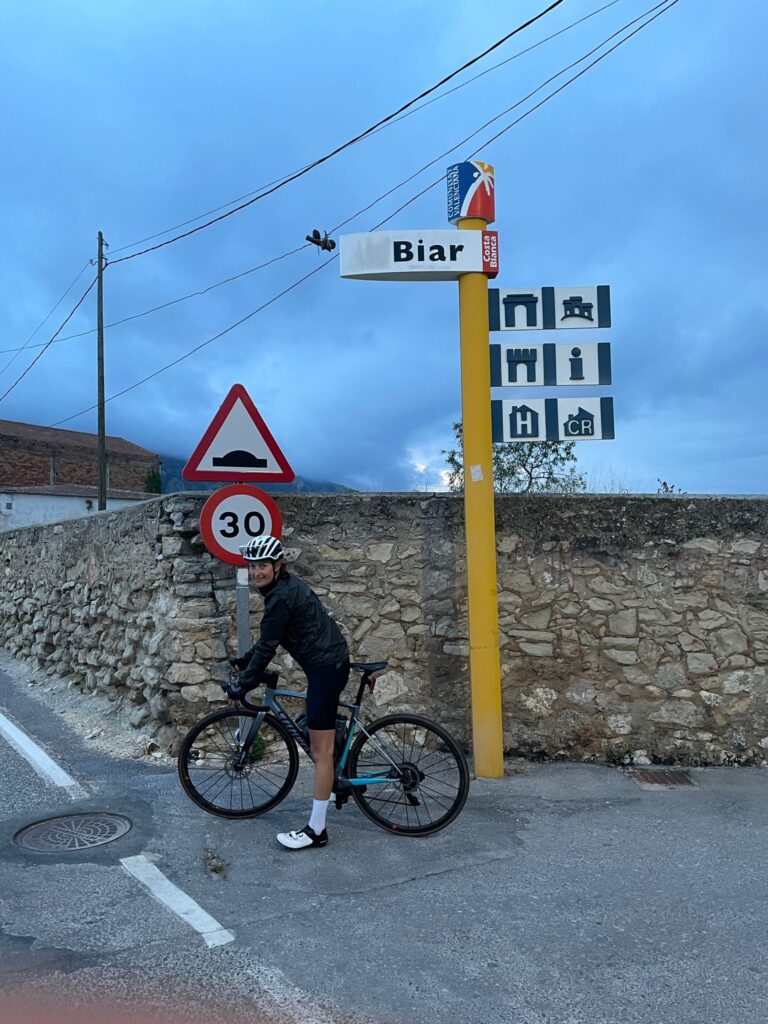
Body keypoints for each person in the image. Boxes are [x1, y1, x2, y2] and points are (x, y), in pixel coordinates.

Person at [229, 534, 349, 850]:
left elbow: (269, 645)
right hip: (327, 663)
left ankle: (317, 830)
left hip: (325, 667)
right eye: (252, 566)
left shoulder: (280, 596)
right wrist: (247, 661)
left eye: (262, 565)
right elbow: (271, 637)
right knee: (313, 727)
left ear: (278, 565)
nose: (256, 571)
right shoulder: (282, 590)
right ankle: (334, 771)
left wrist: (244, 684)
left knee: (320, 753)